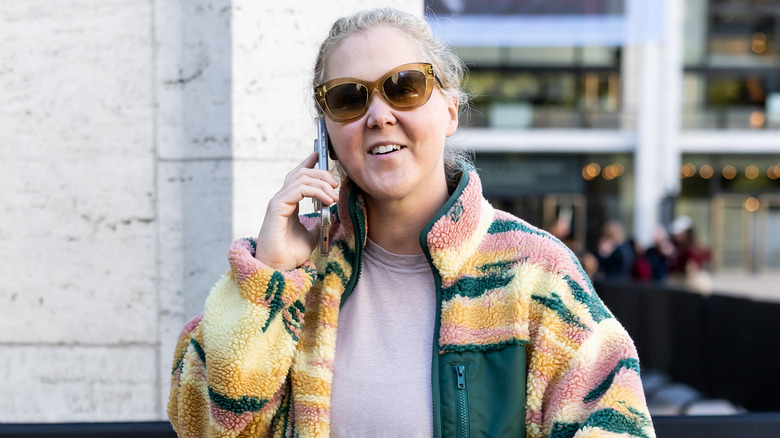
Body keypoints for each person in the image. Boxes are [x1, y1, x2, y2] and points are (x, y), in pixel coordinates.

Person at [167, 8, 654, 438]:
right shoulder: (291, 275)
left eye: (405, 87)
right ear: (327, 134)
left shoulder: (536, 272)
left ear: (449, 111)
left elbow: (617, 420)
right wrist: (269, 280)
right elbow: (202, 424)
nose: (378, 115)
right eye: (347, 99)